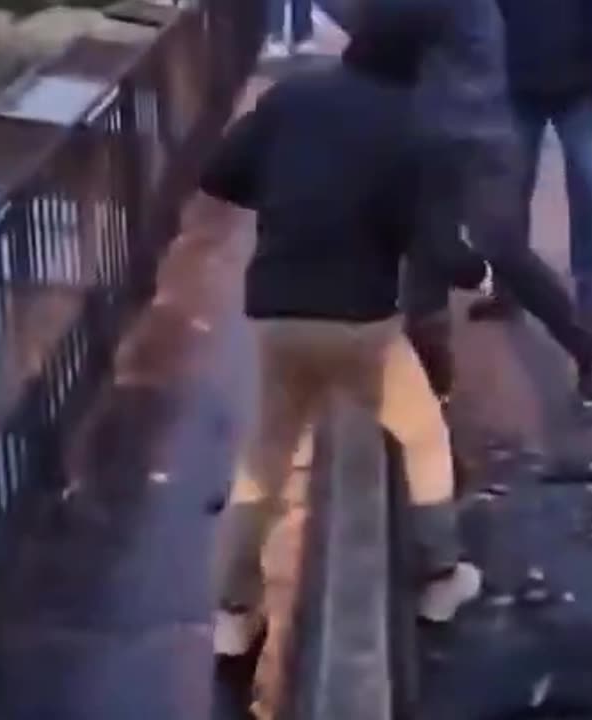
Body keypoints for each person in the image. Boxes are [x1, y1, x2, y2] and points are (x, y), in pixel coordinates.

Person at [204, 0, 491, 659]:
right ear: (419, 58)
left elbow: (218, 173)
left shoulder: (292, 97)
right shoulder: (415, 127)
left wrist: (284, 205)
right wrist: (479, 273)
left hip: (276, 312)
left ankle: (232, 613)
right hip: (360, 321)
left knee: (265, 460)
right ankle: (442, 577)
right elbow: (439, 250)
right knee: (421, 435)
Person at [404, 0, 592, 407]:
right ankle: (431, 374)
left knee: (499, 243)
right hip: (429, 128)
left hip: (480, 131)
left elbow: (372, 18)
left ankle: (586, 344)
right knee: (424, 248)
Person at [484, 0, 592, 335]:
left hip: (581, 86)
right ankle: (510, 286)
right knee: (511, 189)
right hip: (518, 83)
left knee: (586, 184)